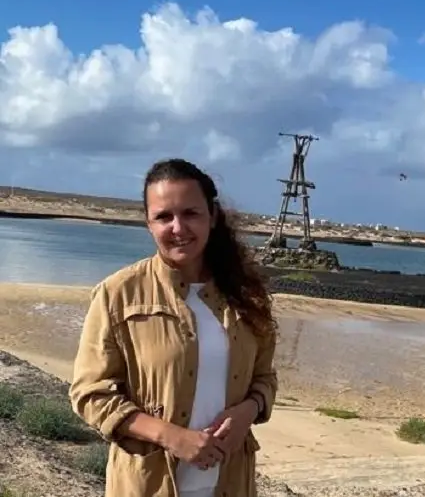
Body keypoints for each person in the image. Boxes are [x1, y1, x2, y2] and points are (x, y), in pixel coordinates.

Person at [69, 158, 279, 497]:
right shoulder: (117, 294)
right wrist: (172, 437)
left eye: (191, 213)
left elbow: (265, 378)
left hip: (230, 483)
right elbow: (90, 394)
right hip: (148, 485)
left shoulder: (247, 295)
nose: (178, 228)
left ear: (212, 216)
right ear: (149, 224)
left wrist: (249, 411)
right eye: (164, 216)